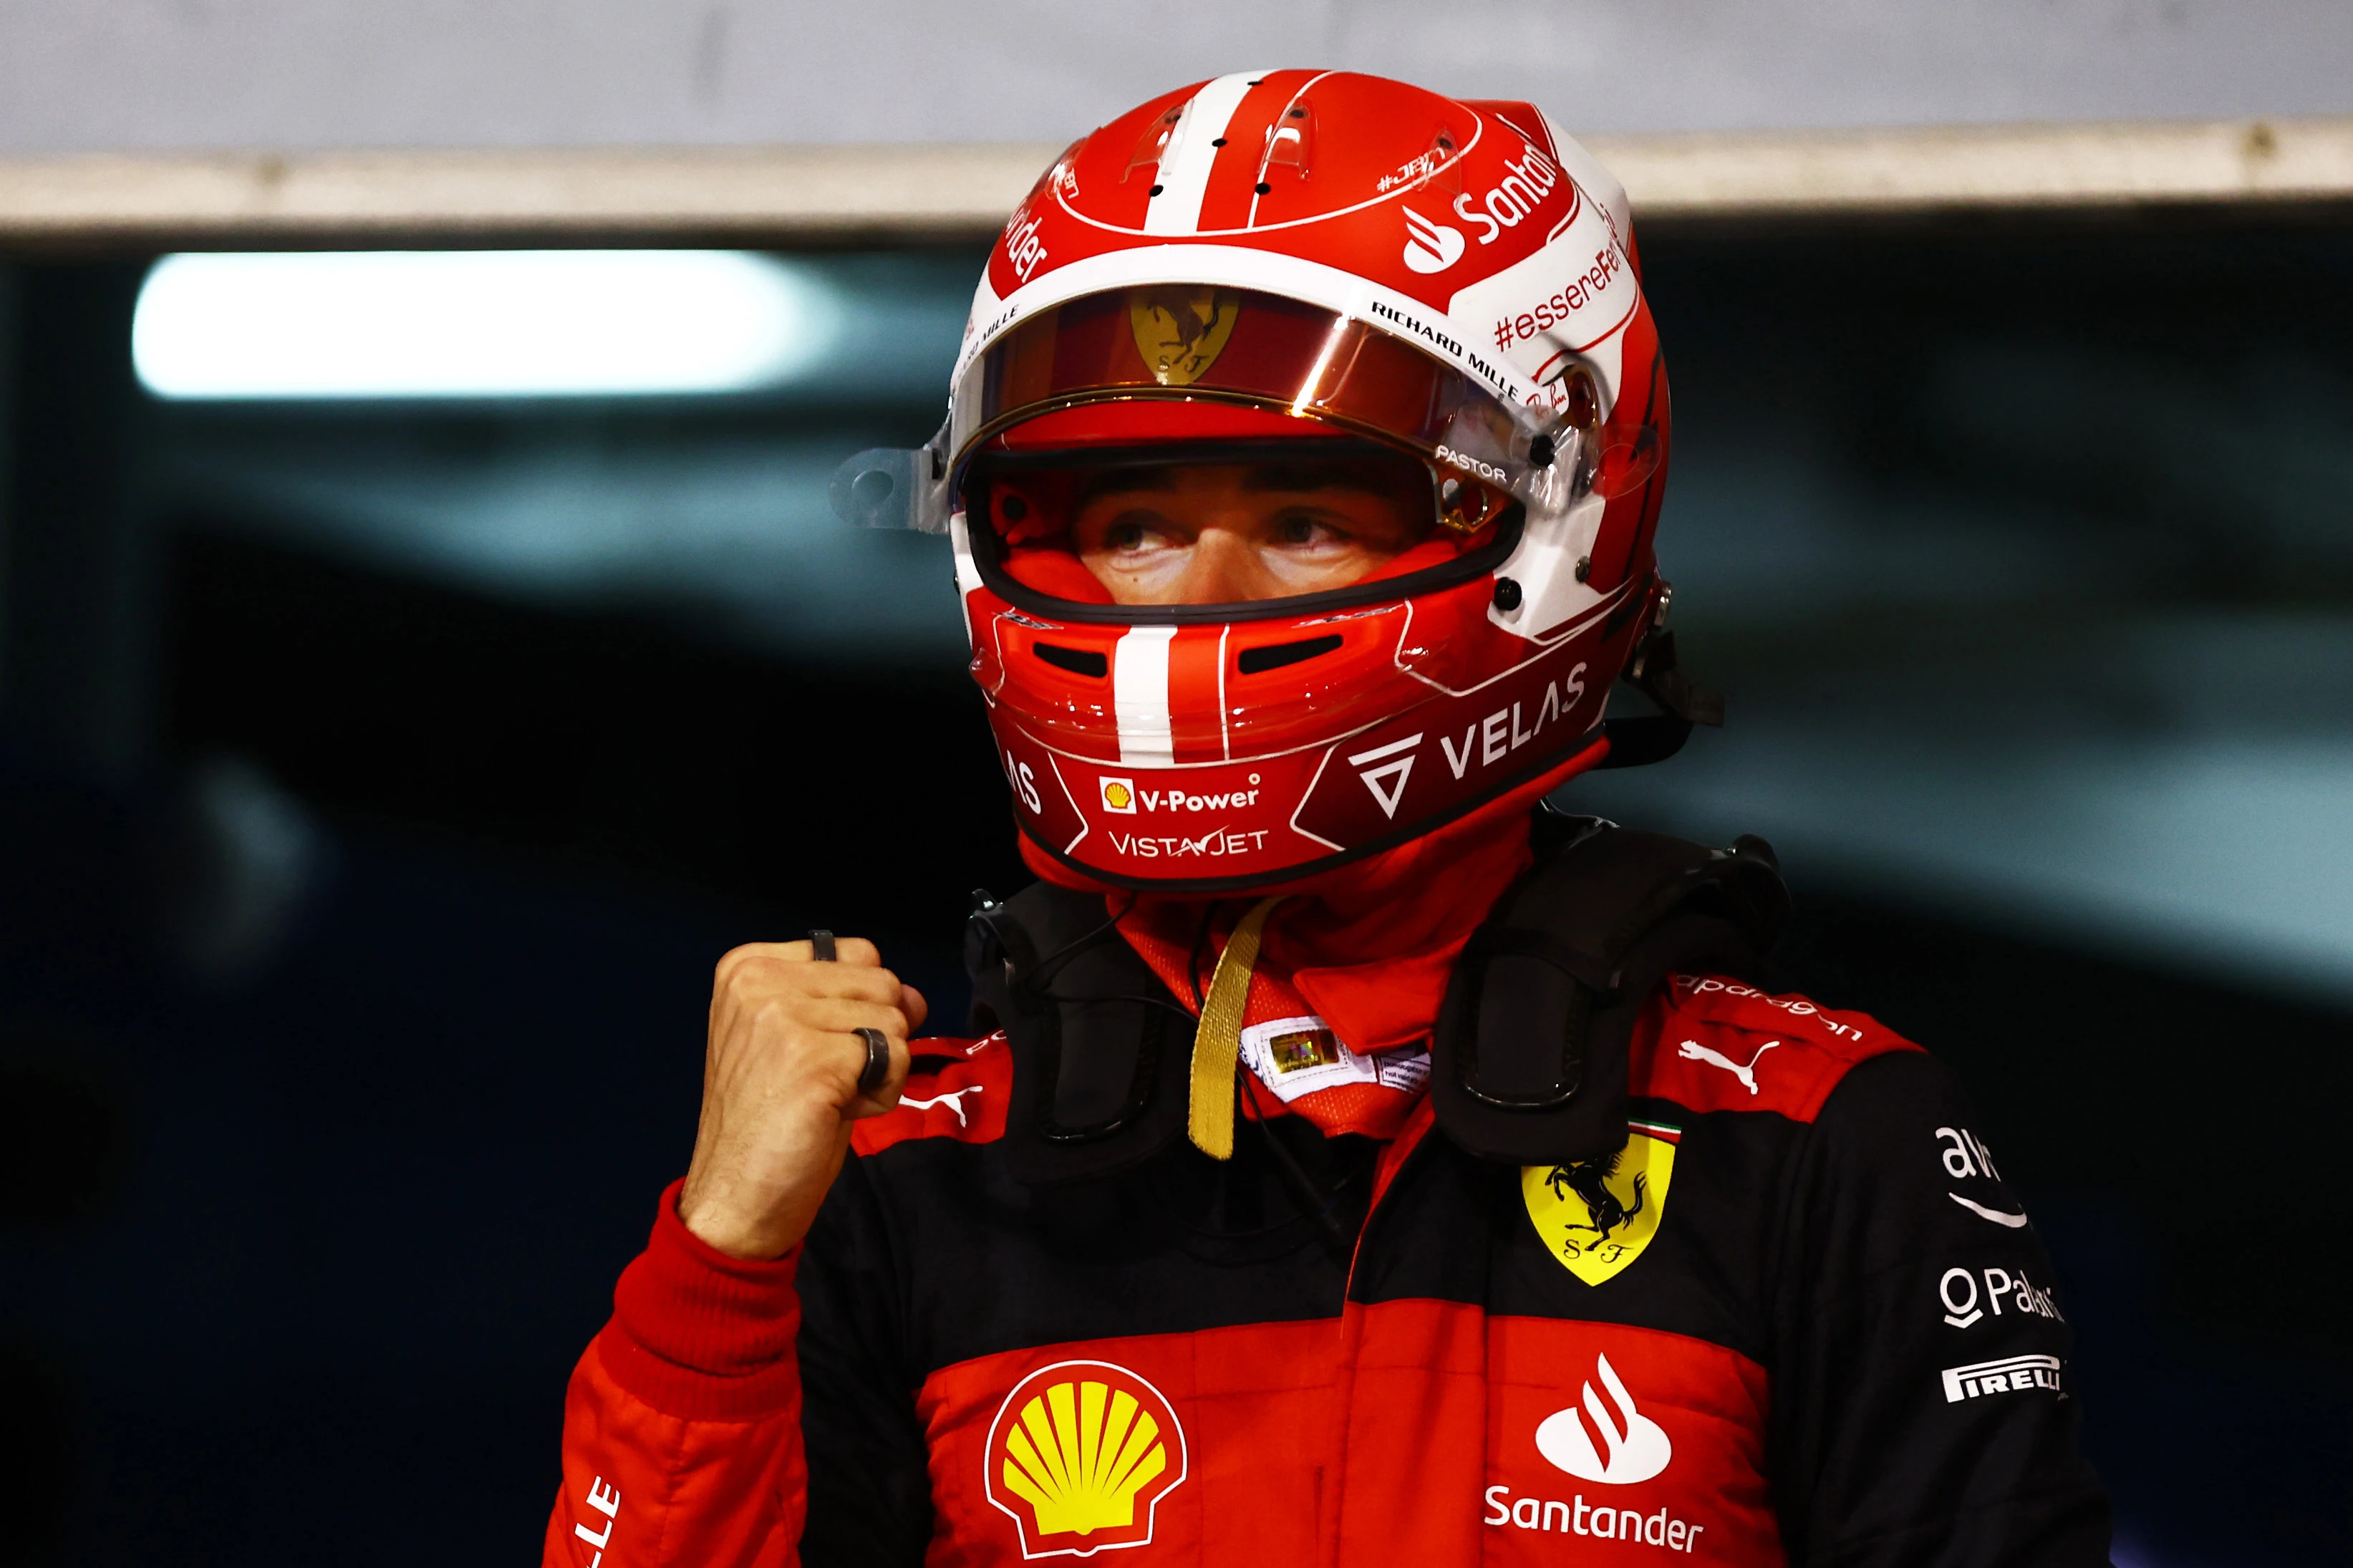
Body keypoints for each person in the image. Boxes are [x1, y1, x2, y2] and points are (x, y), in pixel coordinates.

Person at [546, 70, 2110, 1567]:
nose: (1202, 602)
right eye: (1137, 527)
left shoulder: (1810, 1143)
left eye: (1303, 522)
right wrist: (719, 1267)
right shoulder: (900, 1180)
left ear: (1555, 521)